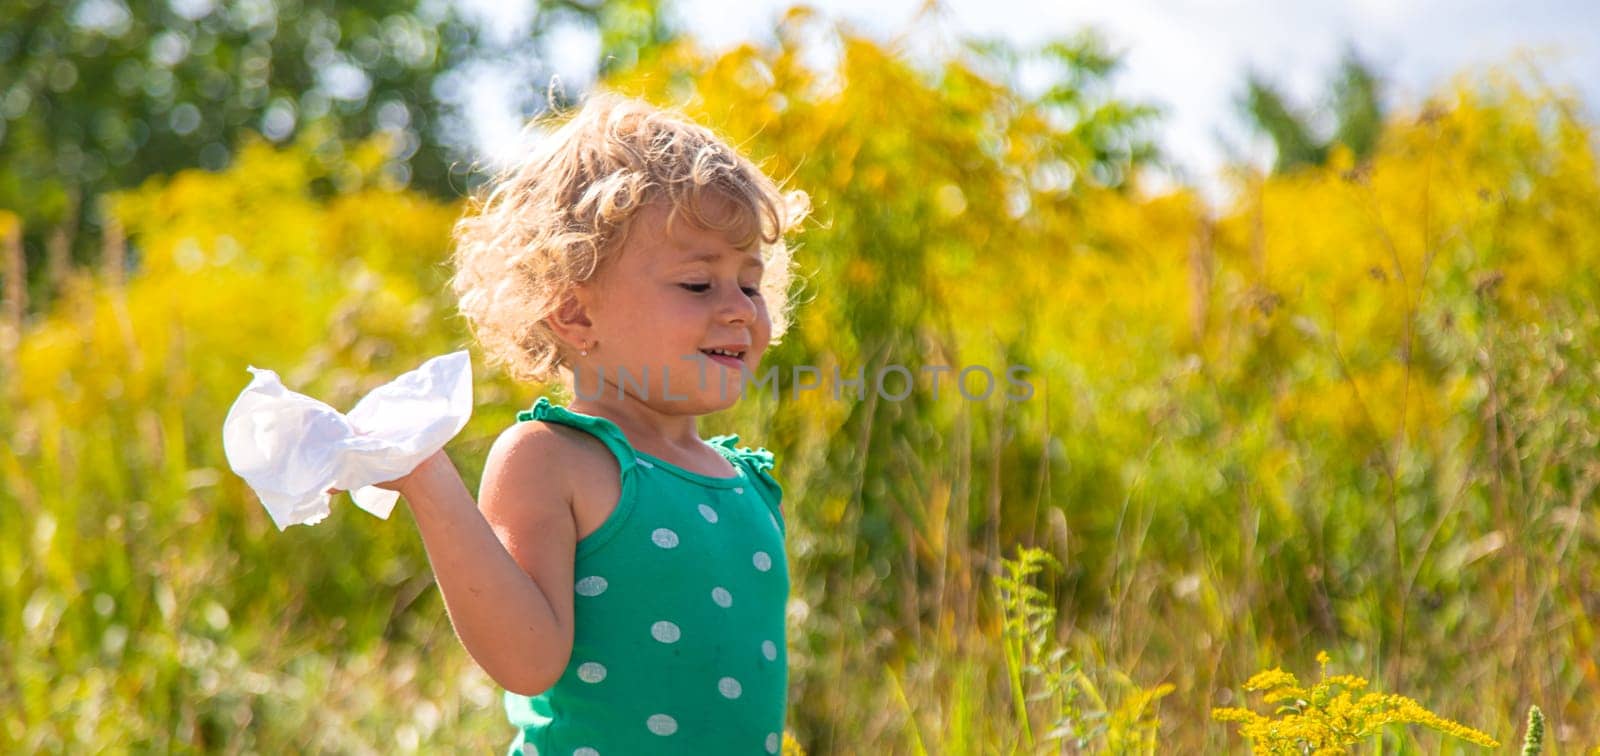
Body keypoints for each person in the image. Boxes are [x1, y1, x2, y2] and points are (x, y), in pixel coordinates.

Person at [374, 92, 810, 755]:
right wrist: (429, 483)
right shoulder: (554, 459)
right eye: (699, 285)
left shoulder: (745, 481)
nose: (740, 310)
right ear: (576, 315)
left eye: (750, 285)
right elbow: (525, 661)